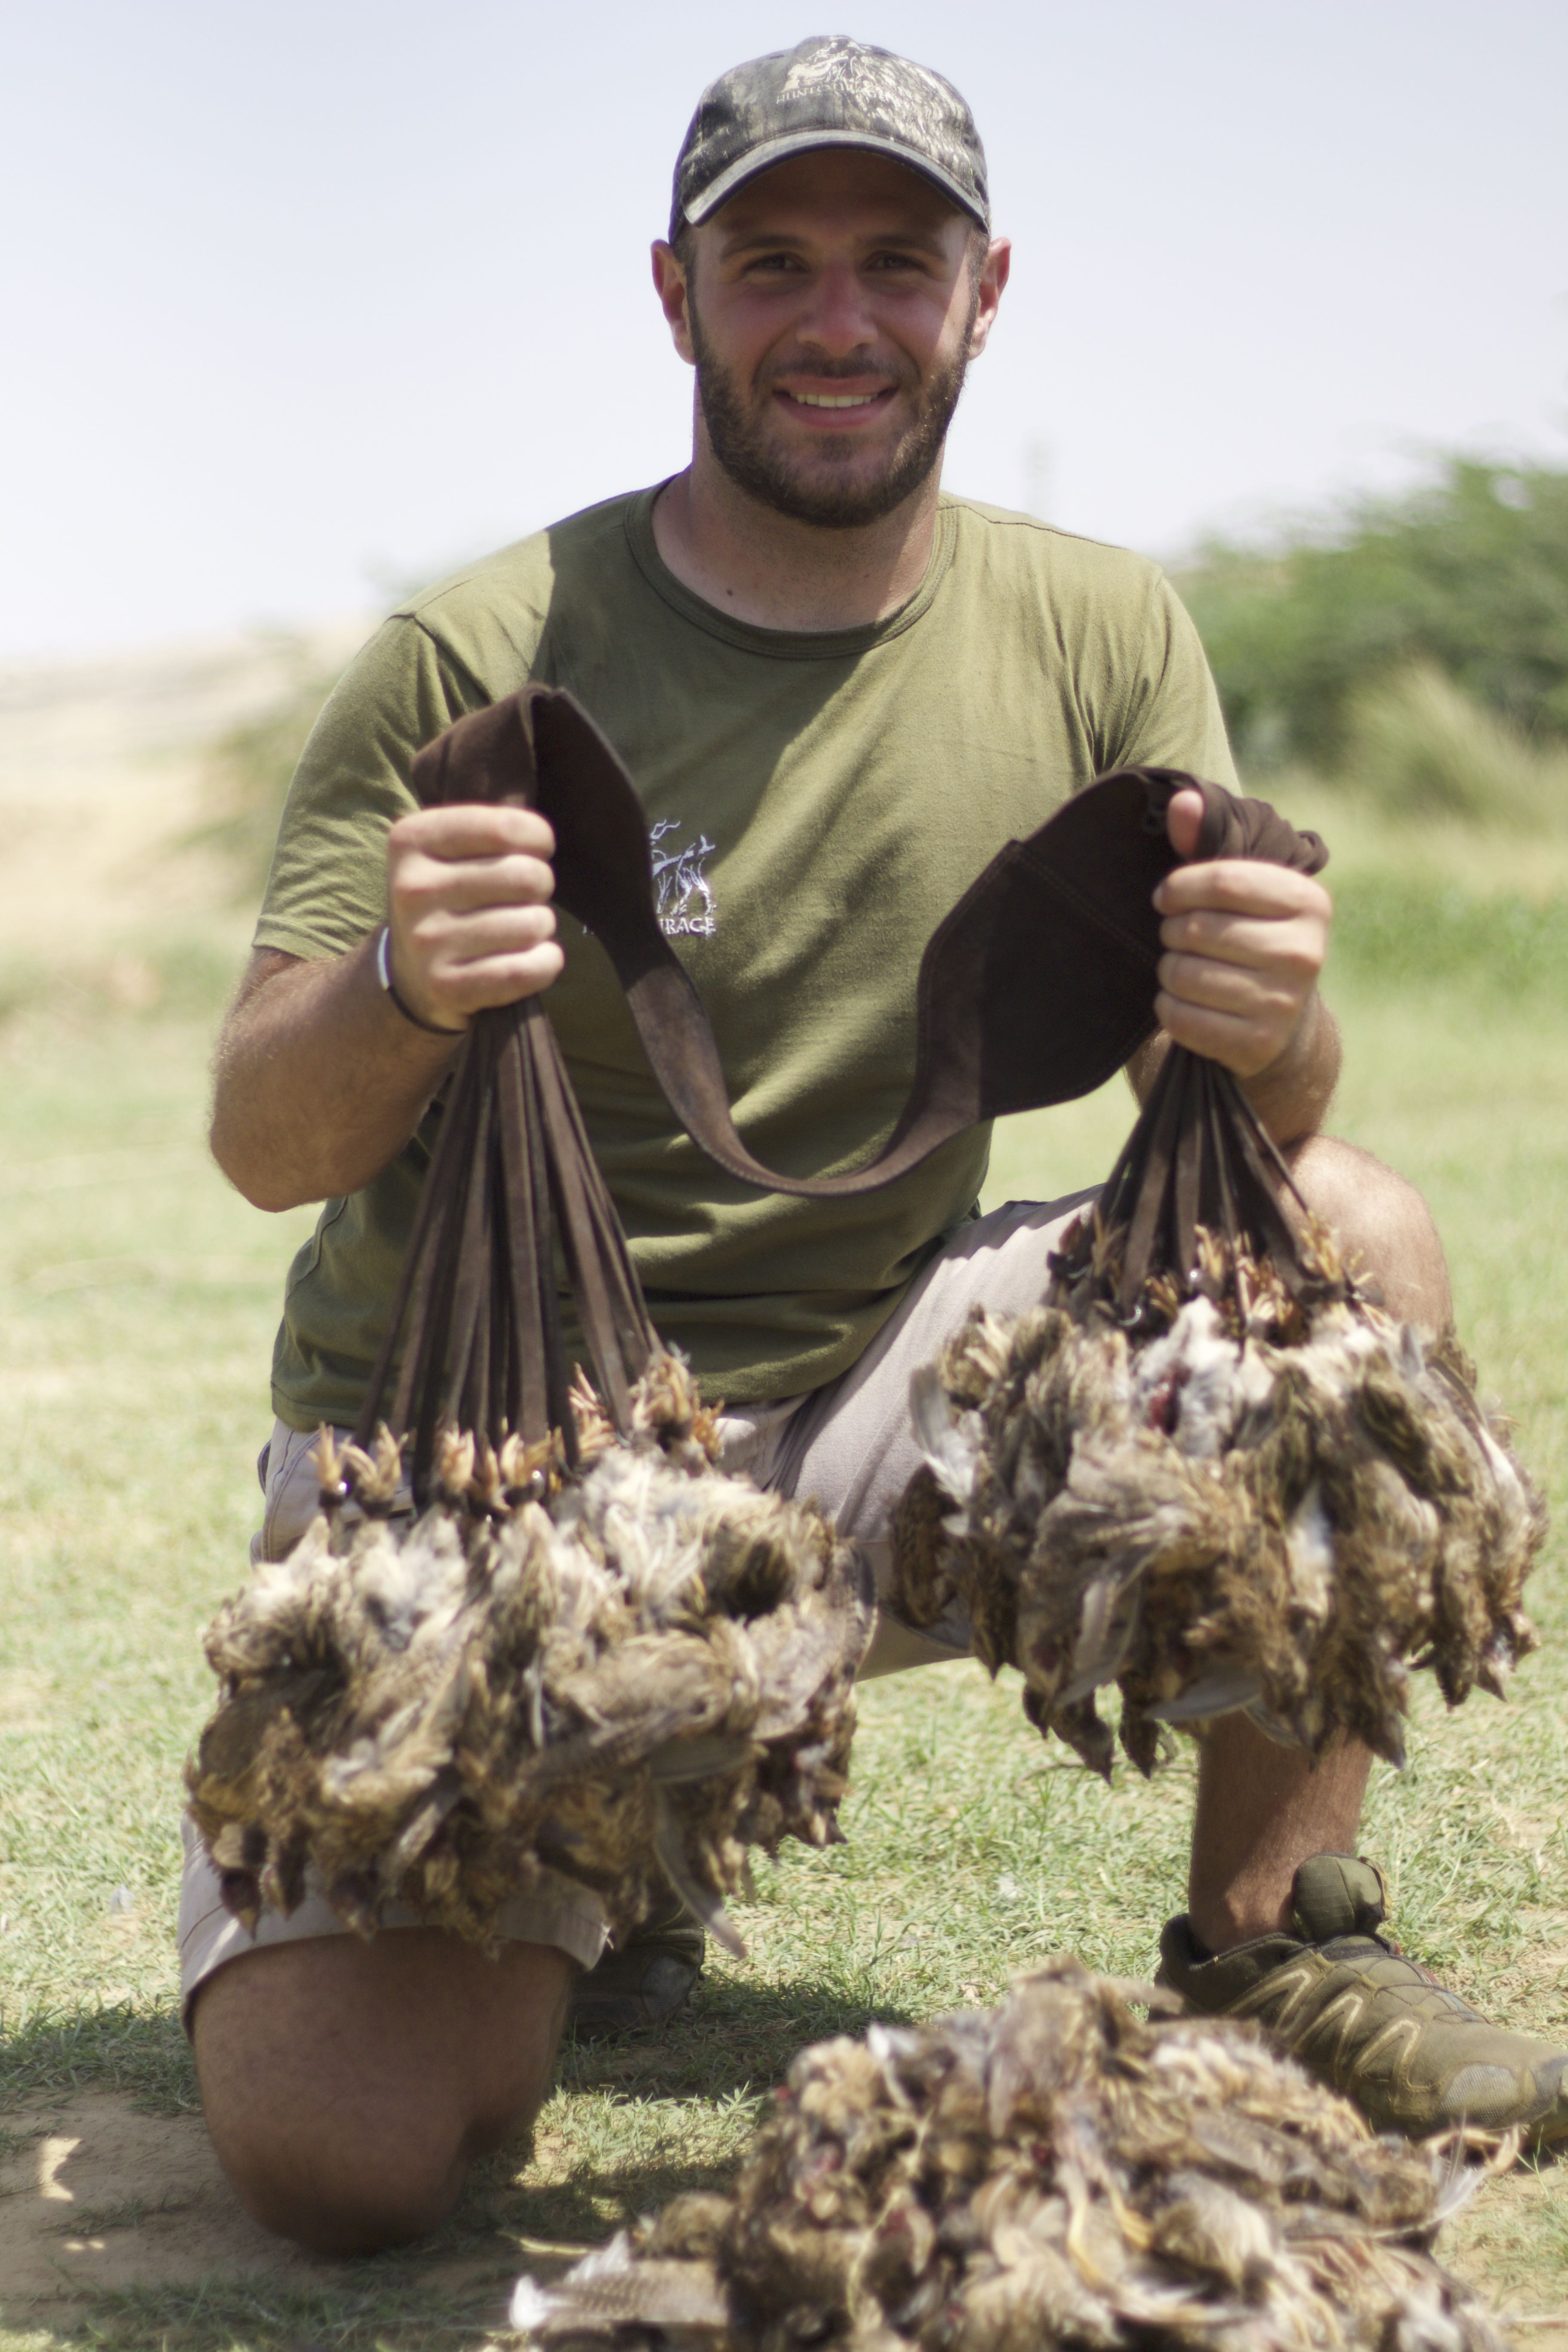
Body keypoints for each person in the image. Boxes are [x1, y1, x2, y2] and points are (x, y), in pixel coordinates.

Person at [195, 37, 1567, 2255]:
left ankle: (1279, 1933)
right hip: (495, 1457)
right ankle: (608, 1841)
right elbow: (264, 1137)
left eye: (896, 263)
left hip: (876, 1400)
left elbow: (1256, 1128)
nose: (839, 320)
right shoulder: (478, 651)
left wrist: (1269, 1015)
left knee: (1360, 1231)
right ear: (673, 295)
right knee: (340, 2159)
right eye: (774, 265)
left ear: (987, 290)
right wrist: (402, 994)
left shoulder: (1101, 631)